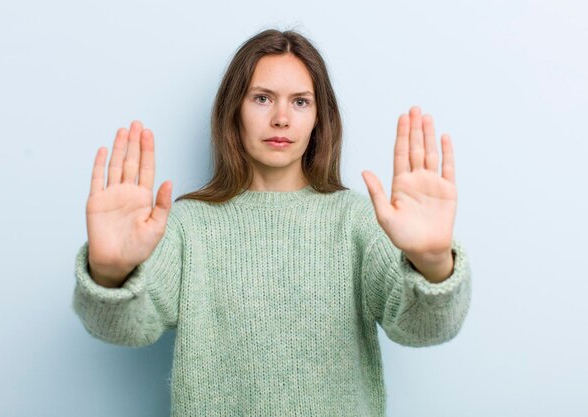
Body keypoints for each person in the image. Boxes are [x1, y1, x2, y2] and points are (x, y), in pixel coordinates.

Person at [73, 29, 471, 417]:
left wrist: (434, 262)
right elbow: (126, 329)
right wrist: (109, 272)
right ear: (234, 110)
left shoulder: (356, 220)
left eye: (300, 102)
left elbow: (422, 329)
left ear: (319, 117)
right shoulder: (186, 225)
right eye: (262, 98)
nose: (282, 118)